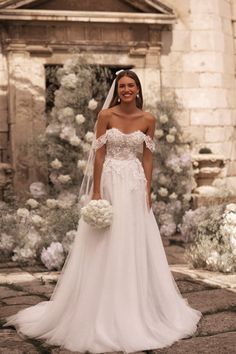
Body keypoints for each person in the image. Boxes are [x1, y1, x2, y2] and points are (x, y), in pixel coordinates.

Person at [4, 70, 202, 353]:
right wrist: (96, 191)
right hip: (109, 181)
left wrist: (147, 189)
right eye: (122, 86)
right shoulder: (105, 116)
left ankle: (136, 303)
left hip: (134, 184)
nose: (126, 90)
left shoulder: (148, 119)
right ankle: (99, 304)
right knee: (106, 239)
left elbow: (147, 158)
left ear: (138, 89)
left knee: (133, 238)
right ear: (117, 89)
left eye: (131, 85)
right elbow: (99, 154)